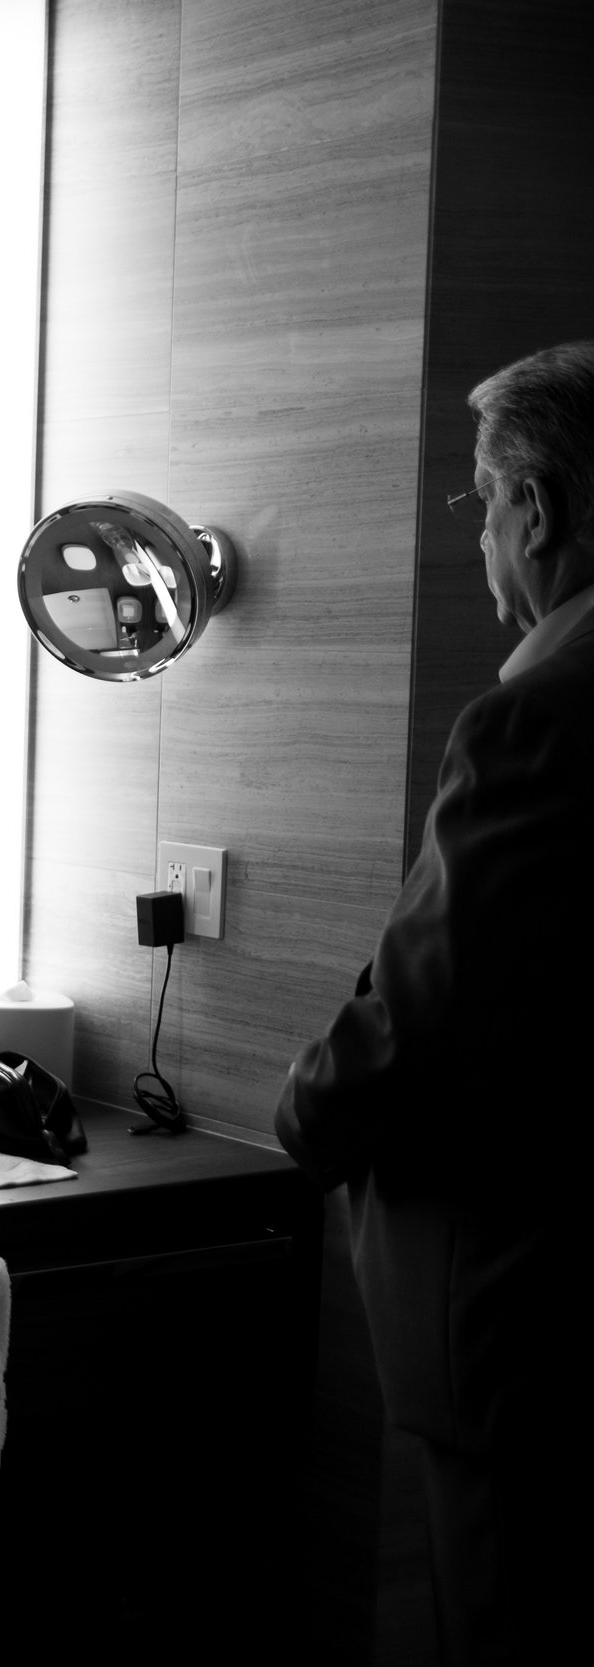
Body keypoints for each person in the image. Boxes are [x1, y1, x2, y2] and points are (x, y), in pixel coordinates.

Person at [278, 340, 592, 1665]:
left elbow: (426, 1009)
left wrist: (308, 1111)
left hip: (523, 1311)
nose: (481, 544)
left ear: (537, 507)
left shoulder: (540, 720)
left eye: (479, 506)